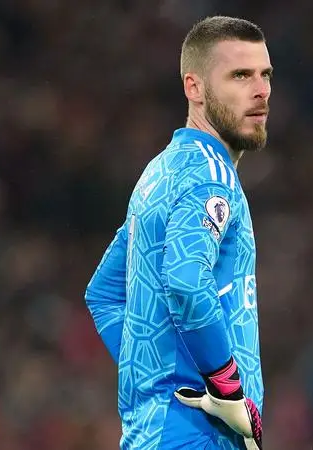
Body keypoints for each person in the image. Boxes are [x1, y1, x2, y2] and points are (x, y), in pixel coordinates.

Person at [84, 15, 272, 450]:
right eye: (240, 75)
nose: (260, 90)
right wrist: (226, 387)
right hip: (193, 436)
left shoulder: (160, 173)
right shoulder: (210, 177)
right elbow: (187, 280)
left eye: (265, 75)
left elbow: (104, 295)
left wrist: (161, 377)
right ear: (195, 88)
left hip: (156, 432)